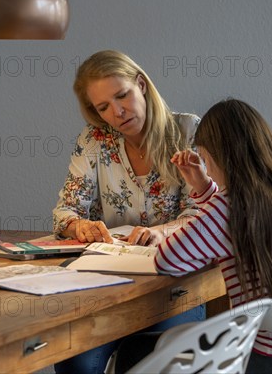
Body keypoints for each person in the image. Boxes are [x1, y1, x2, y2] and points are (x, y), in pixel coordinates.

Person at [114, 99, 272, 374]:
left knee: (133, 351)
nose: (207, 166)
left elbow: (168, 260)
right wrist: (206, 188)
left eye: (206, 160)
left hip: (267, 358)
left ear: (220, 156)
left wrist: (207, 200)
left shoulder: (232, 205)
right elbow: (230, 226)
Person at [52, 50, 204, 374]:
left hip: (174, 283)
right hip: (110, 287)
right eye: (103, 107)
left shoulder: (187, 131)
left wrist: (161, 231)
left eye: (123, 95)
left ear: (141, 85)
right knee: (72, 358)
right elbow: (65, 211)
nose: (118, 112)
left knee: (144, 357)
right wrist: (79, 227)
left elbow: (204, 212)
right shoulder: (94, 140)